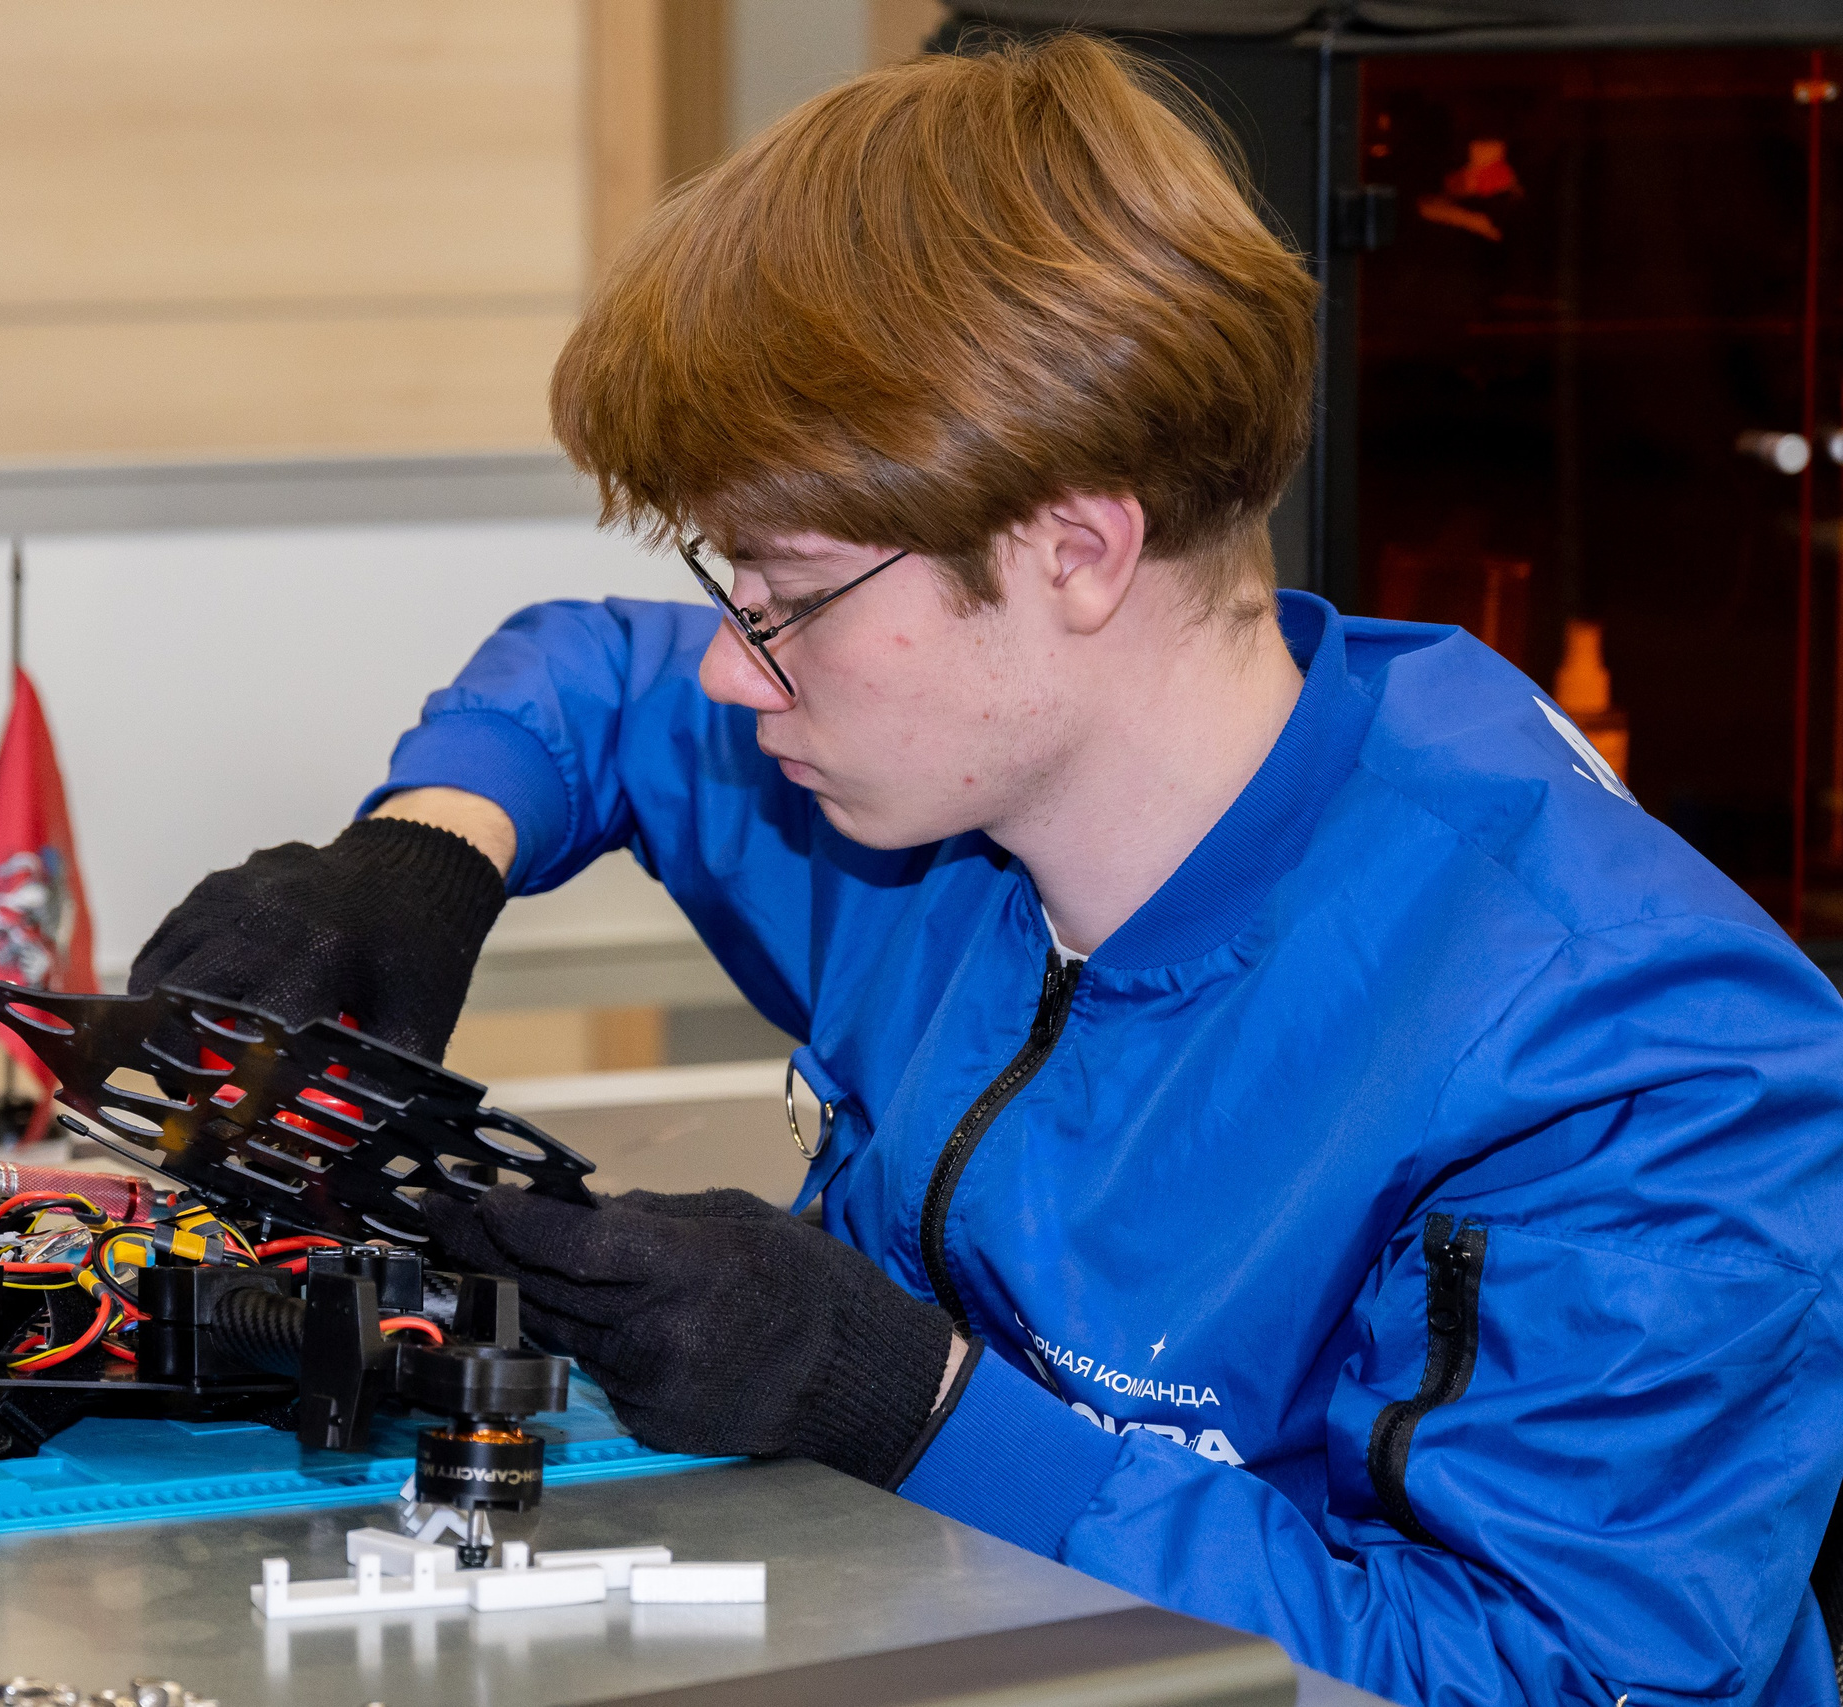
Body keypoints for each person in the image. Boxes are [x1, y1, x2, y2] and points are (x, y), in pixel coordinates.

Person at [127, 35, 1843, 1705]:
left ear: (1075, 548)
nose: (731, 664)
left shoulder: (1630, 1061)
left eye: (780, 595)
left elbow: (1544, 1673)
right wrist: (428, 850)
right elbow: (587, 677)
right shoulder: (923, 794)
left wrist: (911, 1400)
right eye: (727, 585)